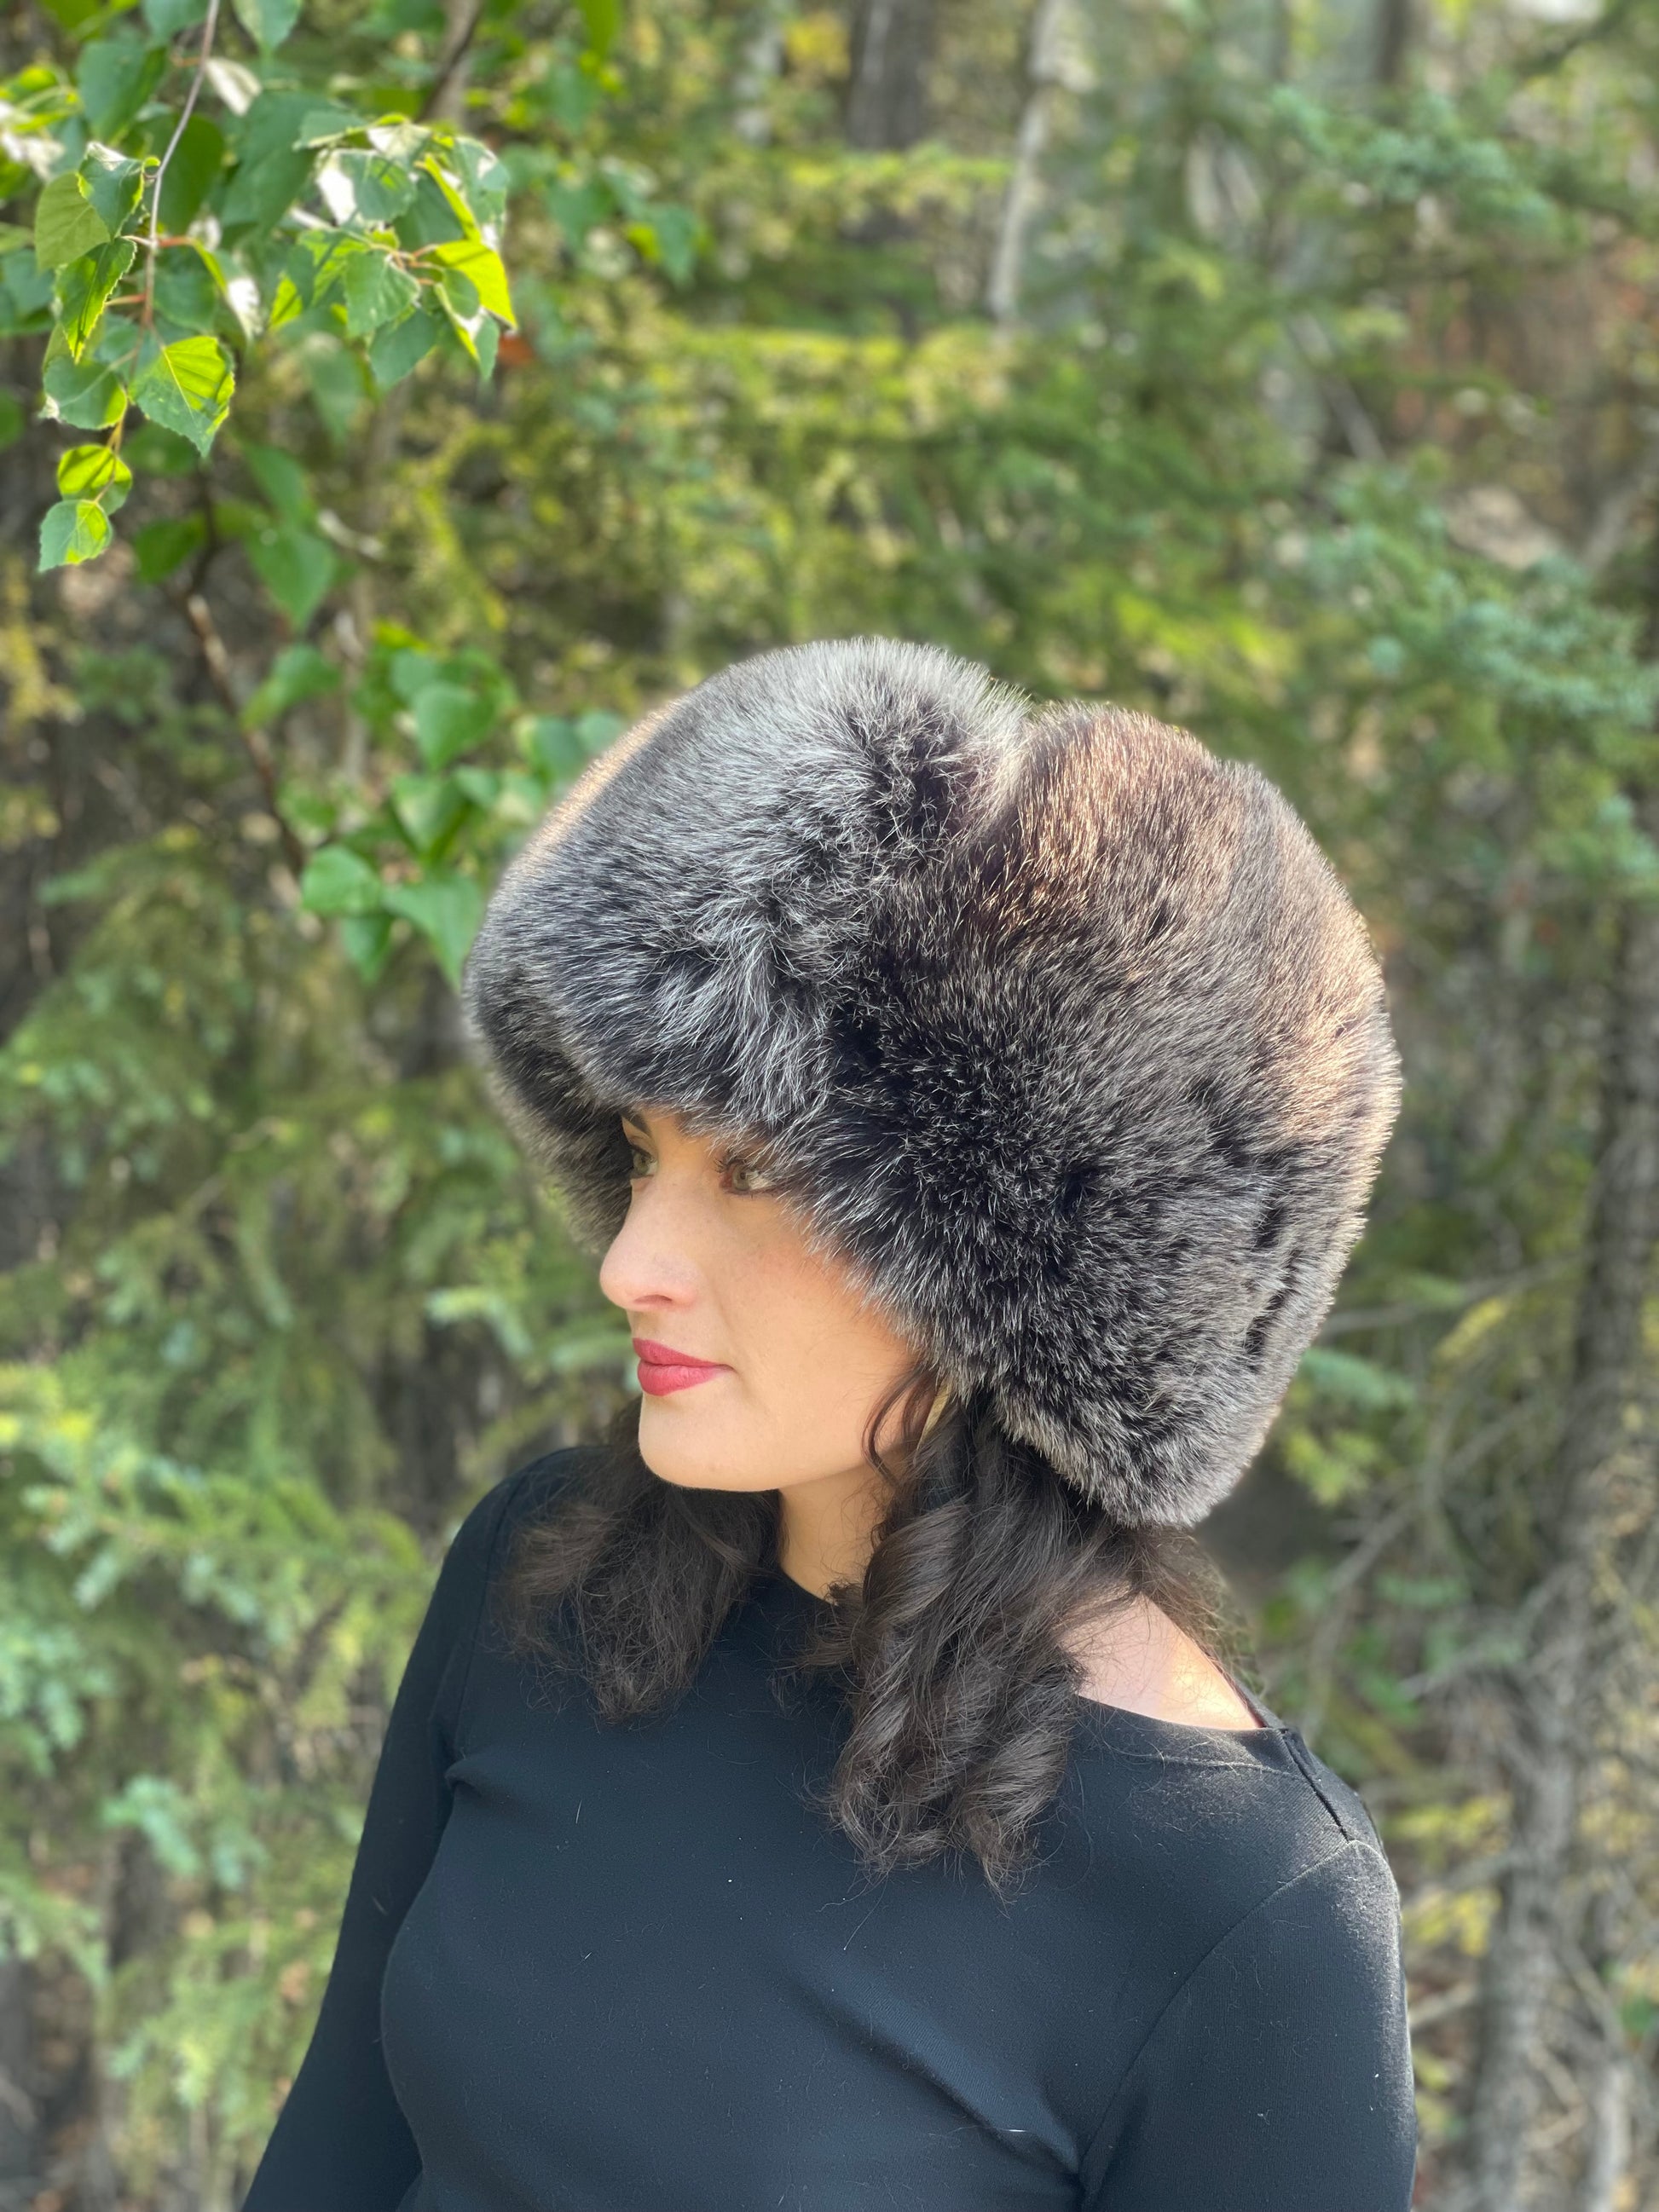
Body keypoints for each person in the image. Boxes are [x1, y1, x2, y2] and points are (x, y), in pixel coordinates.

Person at [240, 636, 1416, 2212]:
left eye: (750, 1172)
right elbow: (336, 2152)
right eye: (644, 1153)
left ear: (1022, 1259)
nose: (628, 1264)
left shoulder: (1244, 1907)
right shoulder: (543, 1580)